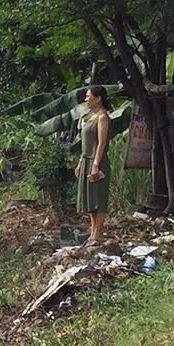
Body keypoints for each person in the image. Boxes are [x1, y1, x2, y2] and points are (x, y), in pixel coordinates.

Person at [77, 85, 112, 244]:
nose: (86, 99)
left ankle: (98, 233)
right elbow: (85, 143)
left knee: (99, 197)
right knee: (89, 198)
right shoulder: (89, 117)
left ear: (98, 98)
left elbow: (102, 144)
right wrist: (80, 163)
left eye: (88, 96)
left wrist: (96, 164)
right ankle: (93, 232)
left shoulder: (102, 117)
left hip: (97, 161)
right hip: (86, 160)